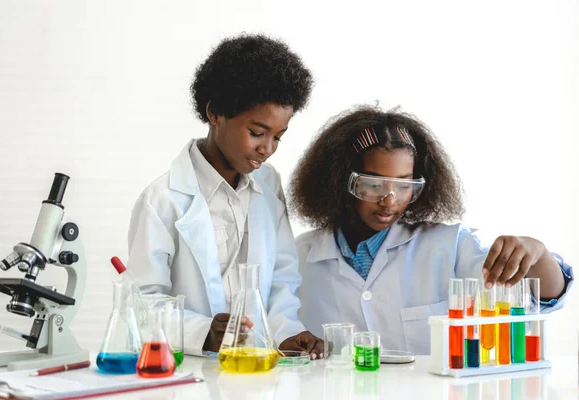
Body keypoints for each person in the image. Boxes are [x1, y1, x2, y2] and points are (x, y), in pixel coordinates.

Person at [289, 105, 574, 354]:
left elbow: (540, 296)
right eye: (373, 184)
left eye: (404, 185)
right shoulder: (299, 257)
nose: (389, 200)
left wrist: (536, 251)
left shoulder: (451, 246)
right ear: (341, 181)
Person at [127, 34, 323, 357]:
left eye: (279, 137)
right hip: (192, 375)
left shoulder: (269, 185)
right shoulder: (162, 200)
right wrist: (202, 333)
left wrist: (287, 332)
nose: (267, 149)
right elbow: (143, 303)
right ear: (215, 113)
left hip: (259, 373)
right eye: (257, 133)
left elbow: (282, 282)